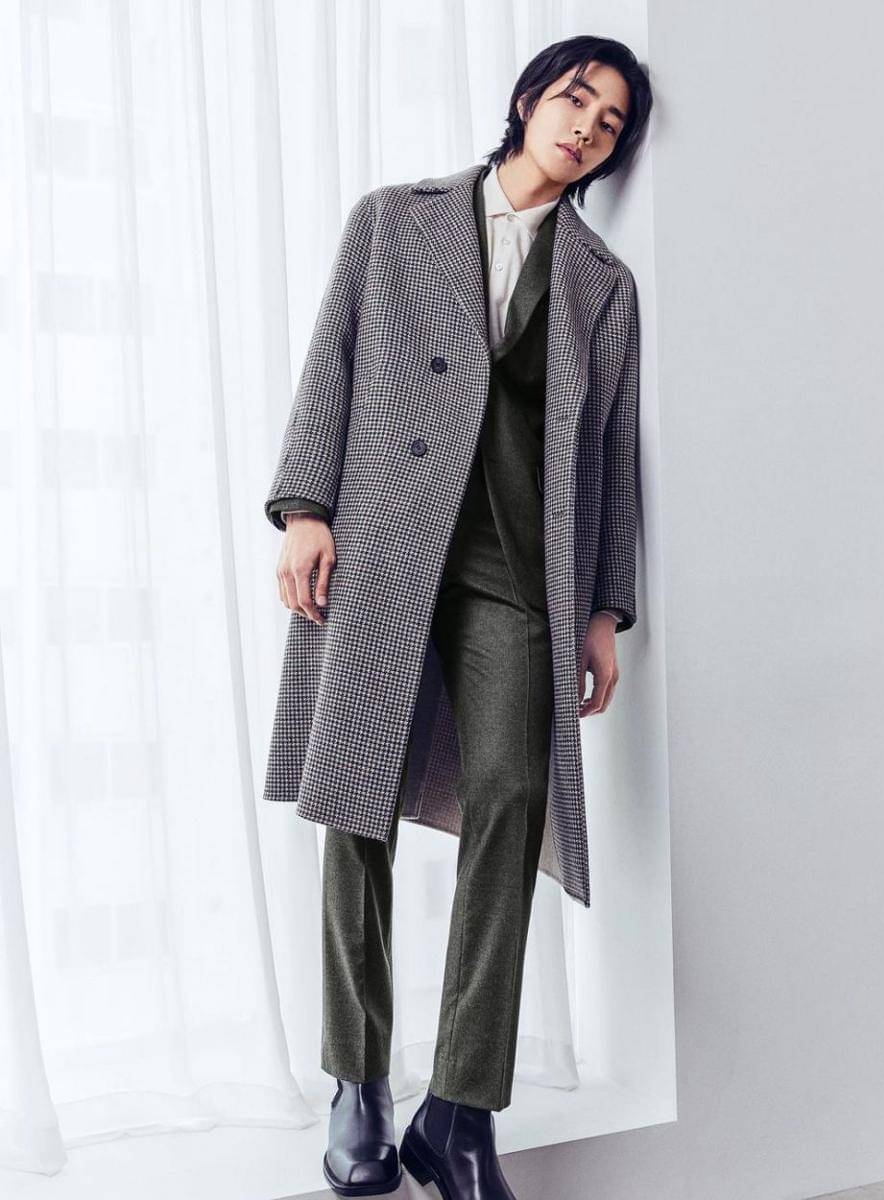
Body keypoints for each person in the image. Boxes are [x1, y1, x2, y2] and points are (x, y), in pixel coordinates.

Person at [264, 34, 652, 1200]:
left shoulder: (603, 285)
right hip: (382, 542)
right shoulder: (395, 219)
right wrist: (304, 508)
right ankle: (358, 1085)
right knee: (357, 804)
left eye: (611, 123)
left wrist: (603, 610)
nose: (587, 128)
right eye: (576, 99)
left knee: (513, 801)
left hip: (518, 566)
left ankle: (462, 1110)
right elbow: (331, 360)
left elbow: (608, 453)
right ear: (529, 99)